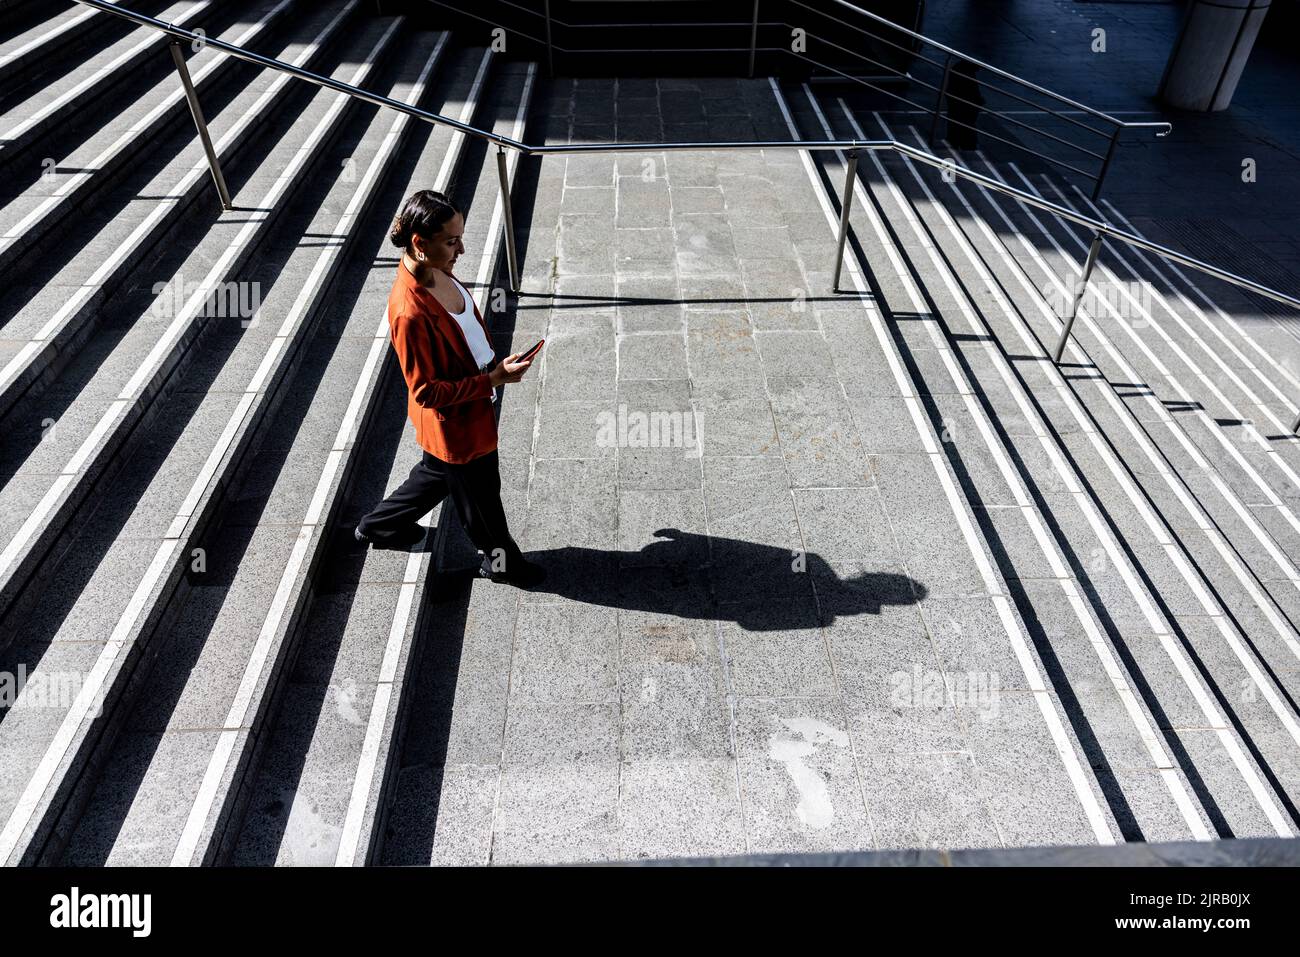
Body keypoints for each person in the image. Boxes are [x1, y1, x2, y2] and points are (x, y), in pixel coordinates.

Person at [354, 189, 543, 587]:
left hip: (469, 408)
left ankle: (378, 525)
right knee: (484, 501)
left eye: (460, 236)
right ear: (420, 244)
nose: (462, 248)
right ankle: (501, 563)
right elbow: (425, 391)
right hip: (456, 423)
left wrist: (491, 367)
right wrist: (490, 380)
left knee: (436, 474)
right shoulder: (409, 312)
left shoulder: (435, 266)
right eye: (452, 240)